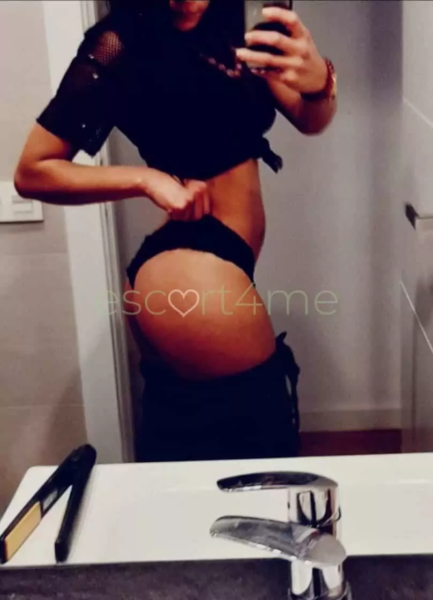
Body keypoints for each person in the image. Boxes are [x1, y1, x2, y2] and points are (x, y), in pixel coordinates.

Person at [14, 0, 337, 462]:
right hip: (192, 274)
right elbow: (33, 171)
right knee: (262, 460)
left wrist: (319, 82)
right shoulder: (119, 41)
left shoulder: (235, 28)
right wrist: (145, 179)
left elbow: (310, 119)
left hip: (207, 269)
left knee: (189, 458)